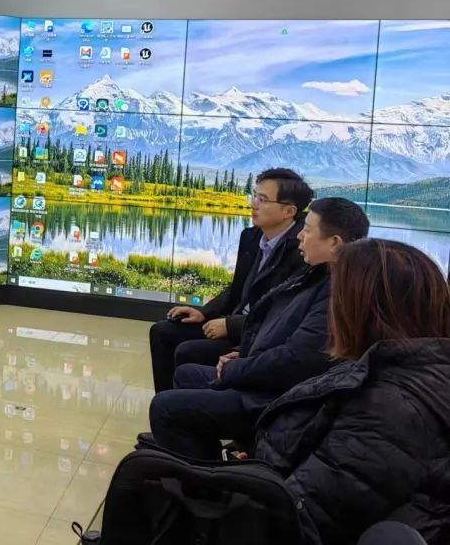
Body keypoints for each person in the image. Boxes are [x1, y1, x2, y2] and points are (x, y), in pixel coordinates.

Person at [255, 239, 450, 545]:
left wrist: (249, 480)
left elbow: (300, 517)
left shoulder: (389, 408)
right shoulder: (400, 370)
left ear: (364, 309)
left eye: (337, 295)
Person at [147, 197, 369, 459]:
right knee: (185, 374)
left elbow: (295, 360)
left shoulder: (338, 293)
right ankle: (206, 457)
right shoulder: (317, 274)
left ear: (334, 242)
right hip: (270, 382)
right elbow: (278, 326)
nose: (300, 235)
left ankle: (205, 476)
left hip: (281, 401)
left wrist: (237, 368)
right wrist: (245, 353)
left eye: (308, 230)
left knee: (165, 407)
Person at [149, 168, 313, 392]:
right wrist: (205, 312)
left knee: (188, 351)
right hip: (237, 321)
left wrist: (230, 326)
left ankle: (187, 407)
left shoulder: (302, 251)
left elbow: (282, 314)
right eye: (254, 196)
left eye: (262, 199)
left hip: (260, 335)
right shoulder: (252, 236)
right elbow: (237, 287)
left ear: (288, 211)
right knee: (162, 332)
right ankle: (166, 404)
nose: (253, 204)